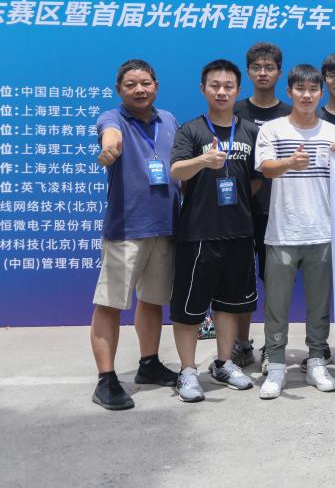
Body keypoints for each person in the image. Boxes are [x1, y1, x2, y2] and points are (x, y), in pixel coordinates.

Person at [90, 60, 181, 411]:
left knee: (153, 300)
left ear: (156, 85)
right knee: (110, 303)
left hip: (166, 227)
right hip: (126, 229)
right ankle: (106, 379)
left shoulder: (169, 120)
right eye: (131, 85)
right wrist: (110, 148)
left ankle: (149, 363)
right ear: (119, 90)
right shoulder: (112, 119)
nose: (139, 89)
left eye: (145, 83)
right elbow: (109, 136)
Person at [169, 59, 261, 403]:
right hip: (199, 233)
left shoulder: (250, 131)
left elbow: (256, 179)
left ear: (238, 90)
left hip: (239, 232)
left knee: (229, 305)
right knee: (189, 308)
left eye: (228, 86)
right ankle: (188, 371)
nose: (222, 92)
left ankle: (223, 363)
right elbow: (177, 171)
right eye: (215, 86)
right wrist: (202, 161)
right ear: (203, 89)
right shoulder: (191, 130)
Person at [255, 65, 335, 399]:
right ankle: (277, 365)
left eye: (313, 90)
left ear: (321, 93)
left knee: (319, 306)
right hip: (282, 233)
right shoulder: (273, 130)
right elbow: (266, 169)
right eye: (300, 89)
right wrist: (289, 163)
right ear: (289, 92)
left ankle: (317, 361)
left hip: (323, 233)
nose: (307, 95)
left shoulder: (332, 132)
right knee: (276, 306)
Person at [231, 42, 291, 369]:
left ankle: (273, 345)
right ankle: (241, 344)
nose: (263, 73)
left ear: (280, 73)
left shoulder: (291, 114)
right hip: (238, 212)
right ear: (248, 72)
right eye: (257, 67)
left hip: (278, 212)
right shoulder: (234, 111)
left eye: (270, 67)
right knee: (241, 281)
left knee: (275, 284)